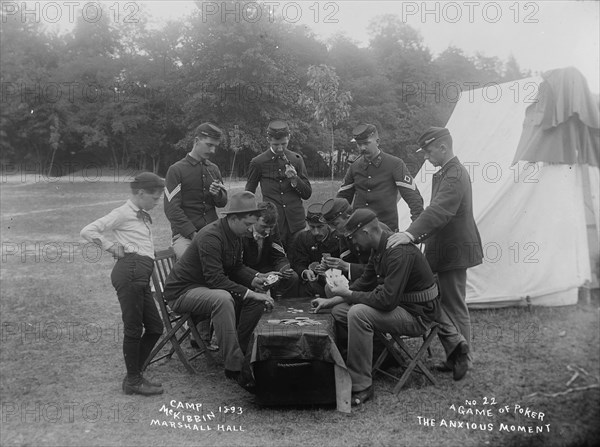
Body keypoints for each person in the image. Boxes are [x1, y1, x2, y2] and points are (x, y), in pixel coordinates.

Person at [311, 209, 446, 405]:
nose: (353, 243)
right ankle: (380, 354)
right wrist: (330, 301)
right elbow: (363, 284)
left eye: (354, 237)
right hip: (402, 307)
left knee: (358, 313)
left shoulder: (397, 252)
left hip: (418, 314)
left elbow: (386, 301)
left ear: (365, 232)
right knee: (339, 311)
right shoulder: (379, 248)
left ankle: (361, 385)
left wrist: (348, 295)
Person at [392, 126, 483, 378]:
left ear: (443, 147)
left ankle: (465, 359)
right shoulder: (445, 172)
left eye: (428, 150)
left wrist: (410, 233)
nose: (425, 156)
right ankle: (454, 356)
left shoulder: (454, 174)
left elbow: (440, 210)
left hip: (454, 250)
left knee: (453, 305)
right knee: (440, 302)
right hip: (443, 248)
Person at [163, 191, 276, 382]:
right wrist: (250, 293)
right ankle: (234, 367)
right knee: (223, 299)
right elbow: (216, 279)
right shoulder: (211, 236)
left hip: (205, 288)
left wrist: (255, 278)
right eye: (248, 224)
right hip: (182, 292)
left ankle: (242, 350)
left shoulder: (235, 233)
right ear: (233, 218)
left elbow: (236, 267)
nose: (250, 230)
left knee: (253, 298)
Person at [80, 172, 165, 396]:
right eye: (154, 198)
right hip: (130, 272)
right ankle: (134, 381)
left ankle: (134, 375)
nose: (157, 203)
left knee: (156, 327)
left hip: (140, 273)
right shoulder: (122, 213)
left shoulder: (141, 214)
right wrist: (109, 246)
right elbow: (88, 230)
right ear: (140, 193)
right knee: (134, 328)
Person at [337, 123, 424, 231]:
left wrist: (415, 230)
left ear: (377, 142)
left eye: (366, 143)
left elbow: (413, 198)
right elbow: (342, 199)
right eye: (359, 144)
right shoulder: (354, 167)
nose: (362, 148)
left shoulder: (395, 164)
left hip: (385, 232)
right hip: (358, 233)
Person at [164, 122, 228, 259]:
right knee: (192, 262)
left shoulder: (213, 169)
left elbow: (222, 203)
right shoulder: (176, 170)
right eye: (209, 145)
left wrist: (218, 195)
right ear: (197, 141)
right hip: (185, 236)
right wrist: (193, 234)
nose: (212, 151)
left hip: (213, 232)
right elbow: (172, 209)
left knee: (231, 259)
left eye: (215, 146)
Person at [245, 120, 312, 249]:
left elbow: (307, 194)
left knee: (299, 258)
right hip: (273, 224)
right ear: (268, 139)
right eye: (276, 144)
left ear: (289, 137)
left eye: (284, 143)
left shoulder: (297, 159)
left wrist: (295, 180)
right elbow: (249, 193)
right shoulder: (258, 162)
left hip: (296, 223)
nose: (280, 148)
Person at [242, 202, 299, 298]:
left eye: (271, 227)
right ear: (254, 220)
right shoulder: (243, 232)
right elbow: (238, 265)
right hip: (246, 270)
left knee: (292, 277)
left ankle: (285, 307)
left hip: (266, 267)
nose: (267, 231)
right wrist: (258, 275)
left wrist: (283, 269)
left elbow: (279, 254)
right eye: (263, 227)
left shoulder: (273, 228)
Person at [290, 203, 343, 298]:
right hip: (310, 284)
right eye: (312, 227)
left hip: (335, 282)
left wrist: (328, 272)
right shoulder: (302, 238)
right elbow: (297, 263)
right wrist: (305, 272)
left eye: (320, 227)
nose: (316, 232)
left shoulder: (339, 239)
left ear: (328, 224)